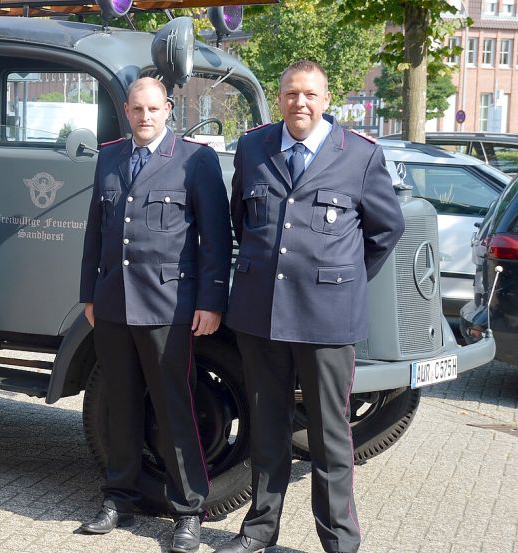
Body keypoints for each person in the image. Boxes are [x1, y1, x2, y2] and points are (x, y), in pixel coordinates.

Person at [214, 60, 404, 553]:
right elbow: (242, 218)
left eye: (310, 94)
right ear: (280, 98)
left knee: (330, 435)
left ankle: (339, 540)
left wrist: (340, 280)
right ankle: (259, 530)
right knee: (267, 427)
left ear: (327, 99)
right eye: (291, 93)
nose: (300, 103)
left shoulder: (359, 155)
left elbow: (386, 230)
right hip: (261, 314)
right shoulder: (254, 146)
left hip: (327, 318)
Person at [78, 77, 232, 553]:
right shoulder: (110, 156)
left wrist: (210, 301)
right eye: (137, 109)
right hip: (113, 303)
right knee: (120, 404)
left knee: (172, 408)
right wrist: (88, 294)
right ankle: (117, 497)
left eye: (154, 109)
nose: (145, 117)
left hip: (168, 305)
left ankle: (188, 510)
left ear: (168, 109)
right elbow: (96, 232)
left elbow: (216, 238)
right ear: (126, 111)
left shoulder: (195, 159)